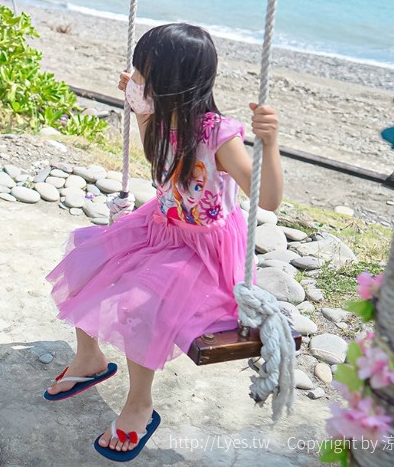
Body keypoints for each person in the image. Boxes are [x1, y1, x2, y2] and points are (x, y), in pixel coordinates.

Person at [44, 23, 282, 462]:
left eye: (142, 73)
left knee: (141, 303)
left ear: (173, 82)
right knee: (87, 258)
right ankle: (90, 359)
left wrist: (270, 143)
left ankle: (140, 403)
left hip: (201, 250)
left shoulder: (218, 135)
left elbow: (267, 199)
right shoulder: (166, 118)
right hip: (159, 225)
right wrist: (140, 110)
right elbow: (160, 164)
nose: (134, 78)